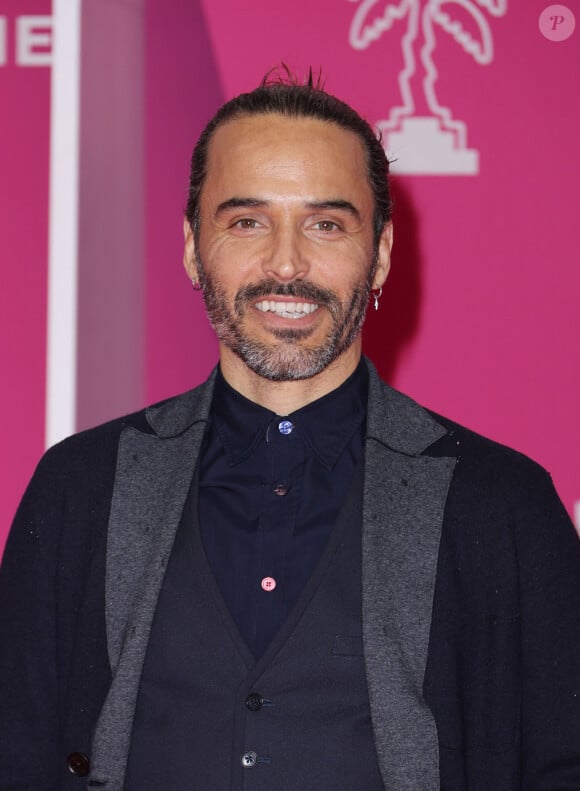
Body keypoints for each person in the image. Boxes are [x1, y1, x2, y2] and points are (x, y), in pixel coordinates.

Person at [1, 71, 579, 791]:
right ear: (191, 248)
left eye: (326, 223)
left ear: (382, 254)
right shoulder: (79, 489)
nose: (285, 263)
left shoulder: (506, 508)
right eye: (247, 221)